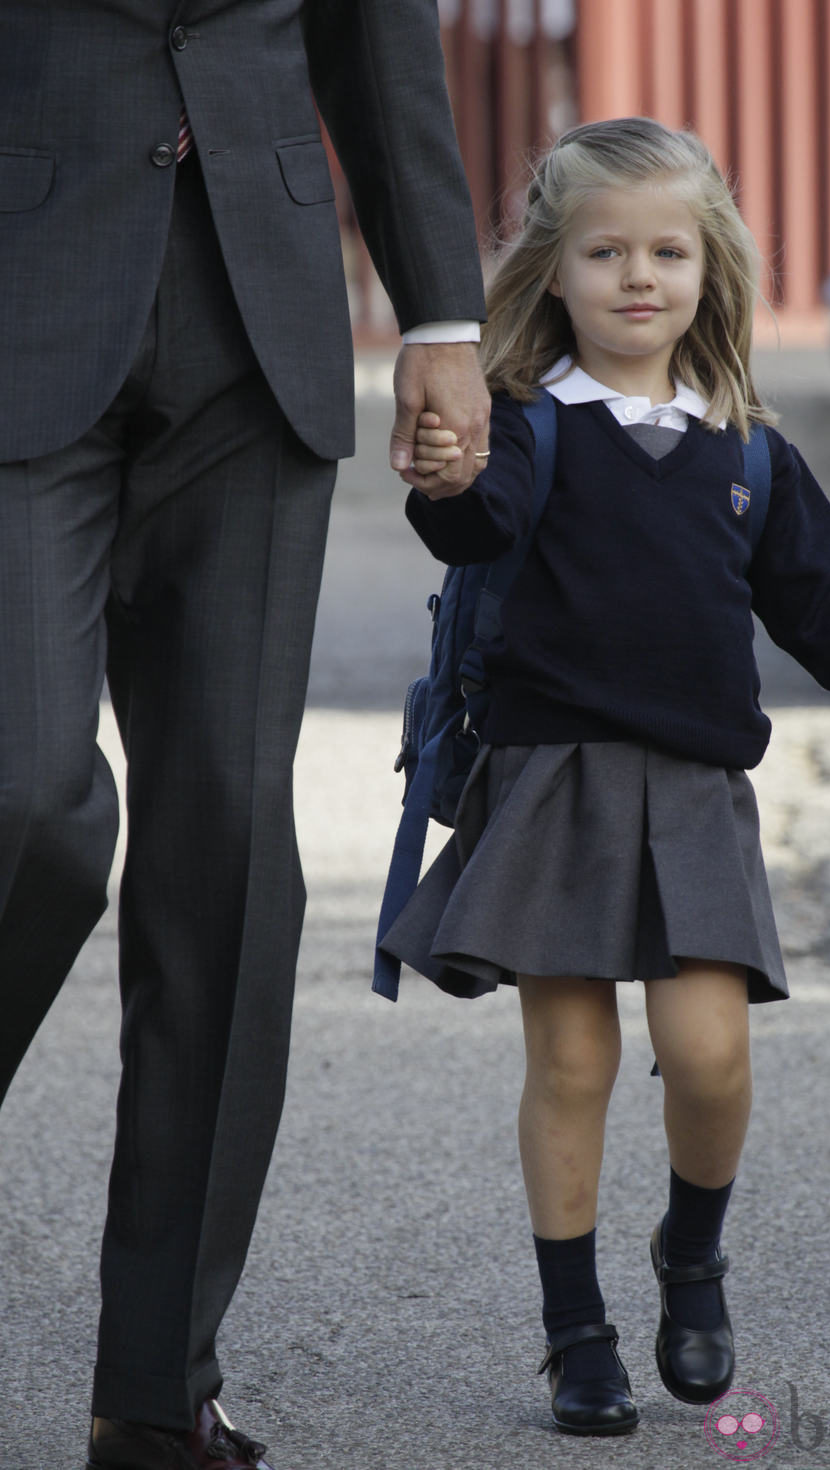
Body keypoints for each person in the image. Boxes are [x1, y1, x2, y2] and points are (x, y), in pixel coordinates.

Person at [377, 116, 830, 1437]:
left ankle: (690, 1256)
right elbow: (469, 519)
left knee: (709, 1054)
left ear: (712, 269)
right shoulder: (532, 427)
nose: (637, 276)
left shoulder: (747, 450)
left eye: (666, 250)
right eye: (604, 251)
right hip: (551, 784)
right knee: (574, 1059)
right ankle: (575, 1330)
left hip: (697, 792)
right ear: (554, 271)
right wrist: (445, 470)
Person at [0, 4, 488, 1468]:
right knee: (28, 794)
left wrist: (443, 319)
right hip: (23, 296)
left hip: (258, 330)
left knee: (228, 853)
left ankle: (156, 1388)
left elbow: (376, 43)